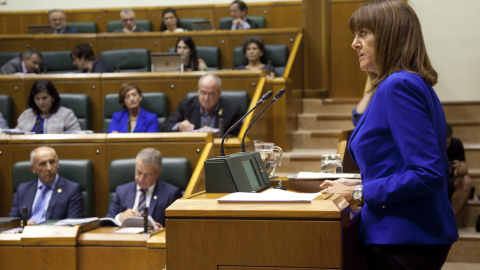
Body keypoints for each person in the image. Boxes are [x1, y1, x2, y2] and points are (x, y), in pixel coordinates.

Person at [319, 1, 458, 269]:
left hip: (405, 238)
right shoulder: (402, 83)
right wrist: (357, 185)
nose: (354, 44)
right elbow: (396, 162)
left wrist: (359, 194)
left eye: (363, 33)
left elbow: (427, 174)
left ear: (389, 34)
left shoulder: (399, 85)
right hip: (402, 235)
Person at [106, 148, 182, 228]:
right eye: (138, 172)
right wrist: (120, 217)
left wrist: (162, 231)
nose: (141, 179)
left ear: (158, 172)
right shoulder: (121, 191)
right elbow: (107, 222)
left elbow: (176, 228)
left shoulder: (171, 194)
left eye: (148, 175)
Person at [9, 147, 84, 225]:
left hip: (54, 235)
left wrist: (39, 228)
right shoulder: (23, 189)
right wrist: (22, 224)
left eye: (52, 162)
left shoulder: (72, 189)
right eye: (43, 164)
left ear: (57, 163)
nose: (49, 168)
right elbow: (12, 222)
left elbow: (74, 224)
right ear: (33, 168)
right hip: (25, 234)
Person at [159, 73, 242, 136]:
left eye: (211, 94)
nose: (206, 98)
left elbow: (238, 136)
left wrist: (217, 135)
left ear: (219, 93)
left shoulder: (232, 109)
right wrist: (179, 126)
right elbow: (164, 127)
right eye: (203, 93)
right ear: (198, 90)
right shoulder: (186, 106)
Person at [15, 80, 81, 134]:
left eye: (44, 98)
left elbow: (77, 137)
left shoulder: (66, 114)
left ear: (53, 97)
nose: (41, 102)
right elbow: (16, 135)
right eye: (37, 99)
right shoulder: (26, 114)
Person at [447, 123, 473, 216]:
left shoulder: (456, 144)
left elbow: (464, 168)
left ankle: (450, 218)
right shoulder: (431, 145)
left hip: (449, 181)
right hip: (434, 179)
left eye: (447, 143)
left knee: (466, 181)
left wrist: (460, 169)